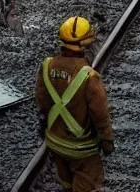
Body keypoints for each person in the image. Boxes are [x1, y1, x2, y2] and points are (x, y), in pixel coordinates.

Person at [37, 16, 115, 190]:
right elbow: (100, 114)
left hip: (56, 142)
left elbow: (42, 101)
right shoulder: (89, 76)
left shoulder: (47, 66)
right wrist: (107, 141)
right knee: (89, 183)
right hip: (82, 148)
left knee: (66, 182)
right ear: (83, 45)